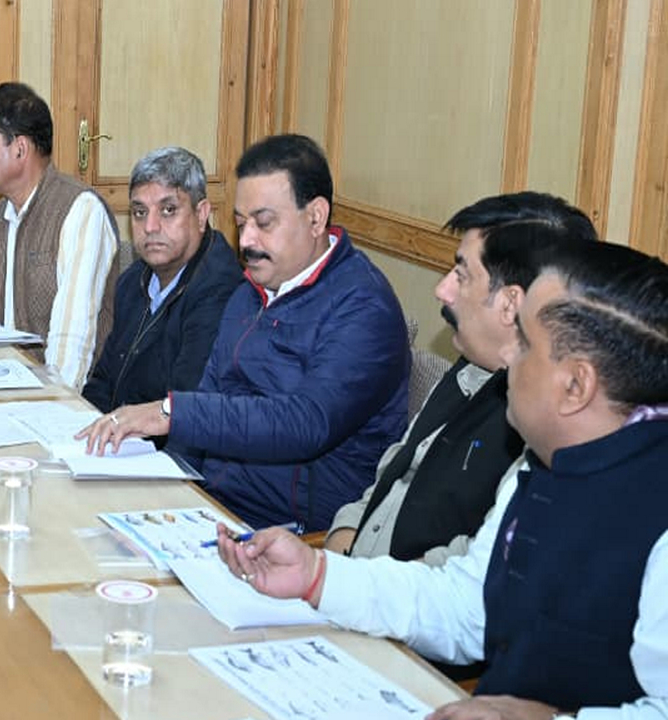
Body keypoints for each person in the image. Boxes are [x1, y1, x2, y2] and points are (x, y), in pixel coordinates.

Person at [218, 241, 668, 720]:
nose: (509, 357)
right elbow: (466, 606)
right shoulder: (541, 464)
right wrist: (320, 577)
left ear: (575, 386)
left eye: (527, 344)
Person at [80, 133, 408, 532]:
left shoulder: (363, 306)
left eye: (264, 223)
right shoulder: (247, 295)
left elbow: (305, 423)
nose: (247, 240)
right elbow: (206, 407)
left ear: (317, 217)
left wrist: (171, 411)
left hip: (296, 534)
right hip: (208, 507)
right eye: (240, 223)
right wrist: (163, 496)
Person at [325, 193, 596, 563]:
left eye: (461, 275)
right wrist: (335, 558)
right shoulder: (468, 367)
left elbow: (468, 579)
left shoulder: (545, 426)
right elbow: (387, 481)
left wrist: (342, 586)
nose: (442, 289)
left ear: (510, 304)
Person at [0, 81, 118, 390]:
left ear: (20, 148)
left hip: (75, 404)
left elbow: (72, 347)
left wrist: (50, 410)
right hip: (5, 398)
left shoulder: (80, 211)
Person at [80, 145, 241, 415]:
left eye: (168, 210)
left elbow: (186, 409)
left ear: (201, 215)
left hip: (167, 450)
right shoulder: (133, 280)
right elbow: (103, 381)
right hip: (119, 441)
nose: (150, 227)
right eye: (140, 212)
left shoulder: (220, 290)